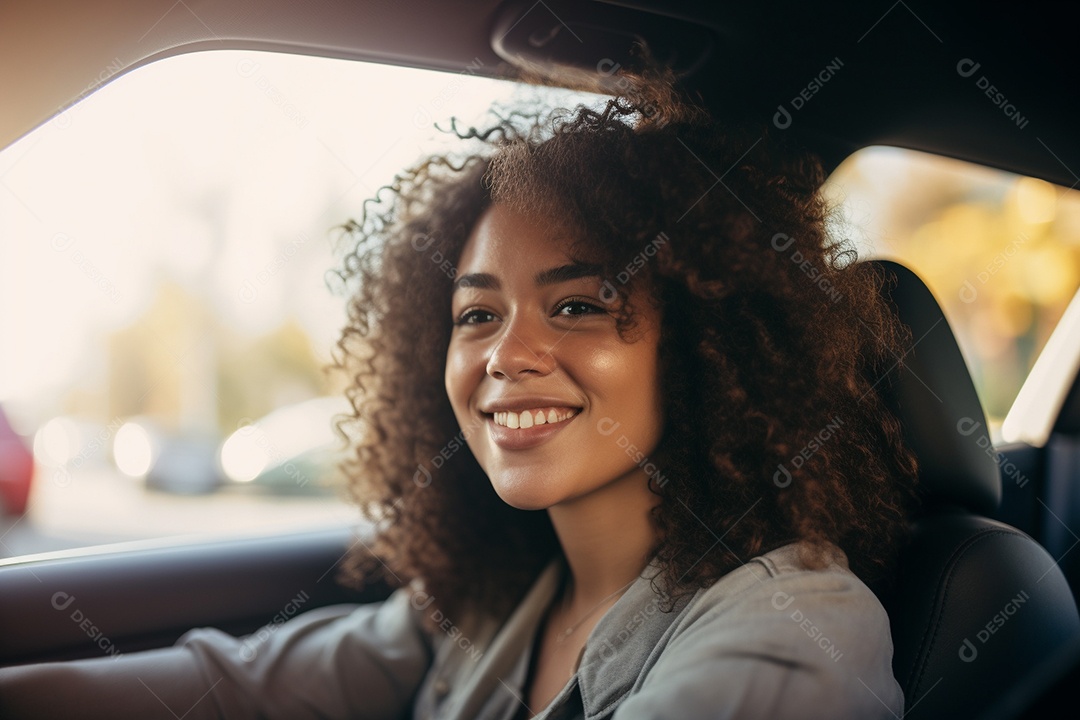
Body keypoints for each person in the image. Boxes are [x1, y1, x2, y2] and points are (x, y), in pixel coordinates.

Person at [0, 69, 917, 719]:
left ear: (708, 345)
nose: (507, 352)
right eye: (476, 315)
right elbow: (232, 686)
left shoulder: (799, 626)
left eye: (579, 305)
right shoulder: (491, 603)